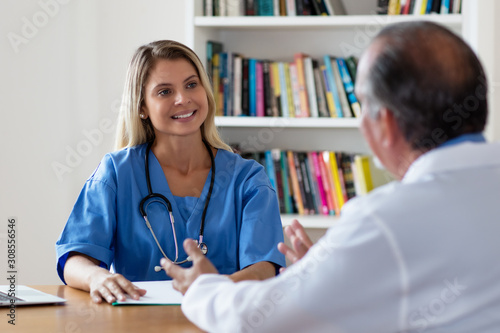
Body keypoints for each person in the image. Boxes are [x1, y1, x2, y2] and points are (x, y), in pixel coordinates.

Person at [162, 21, 500, 332]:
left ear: (385, 123)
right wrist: (338, 276)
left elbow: (255, 320)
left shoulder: (382, 219)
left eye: (362, 105)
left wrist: (203, 286)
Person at [55, 40, 286, 304]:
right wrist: (96, 277)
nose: (183, 99)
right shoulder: (117, 173)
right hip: (137, 323)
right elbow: (74, 258)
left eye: (191, 85)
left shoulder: (248, 179)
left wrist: (212, 290)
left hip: (222, 318)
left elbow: (265, 268)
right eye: (165, 92)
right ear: (142, 107)